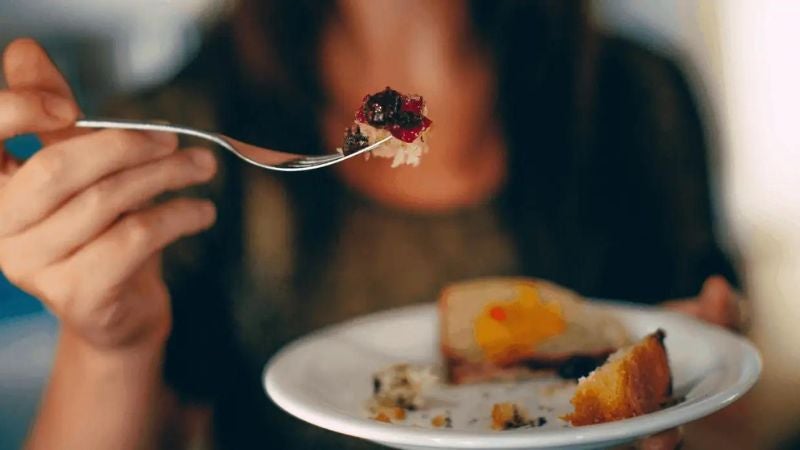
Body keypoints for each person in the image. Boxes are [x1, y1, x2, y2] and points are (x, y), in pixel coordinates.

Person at [0, 1, 745, 449]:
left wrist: (692, 386)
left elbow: (720, 400)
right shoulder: (181, 133)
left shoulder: (640, 95)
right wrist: (111, 344)